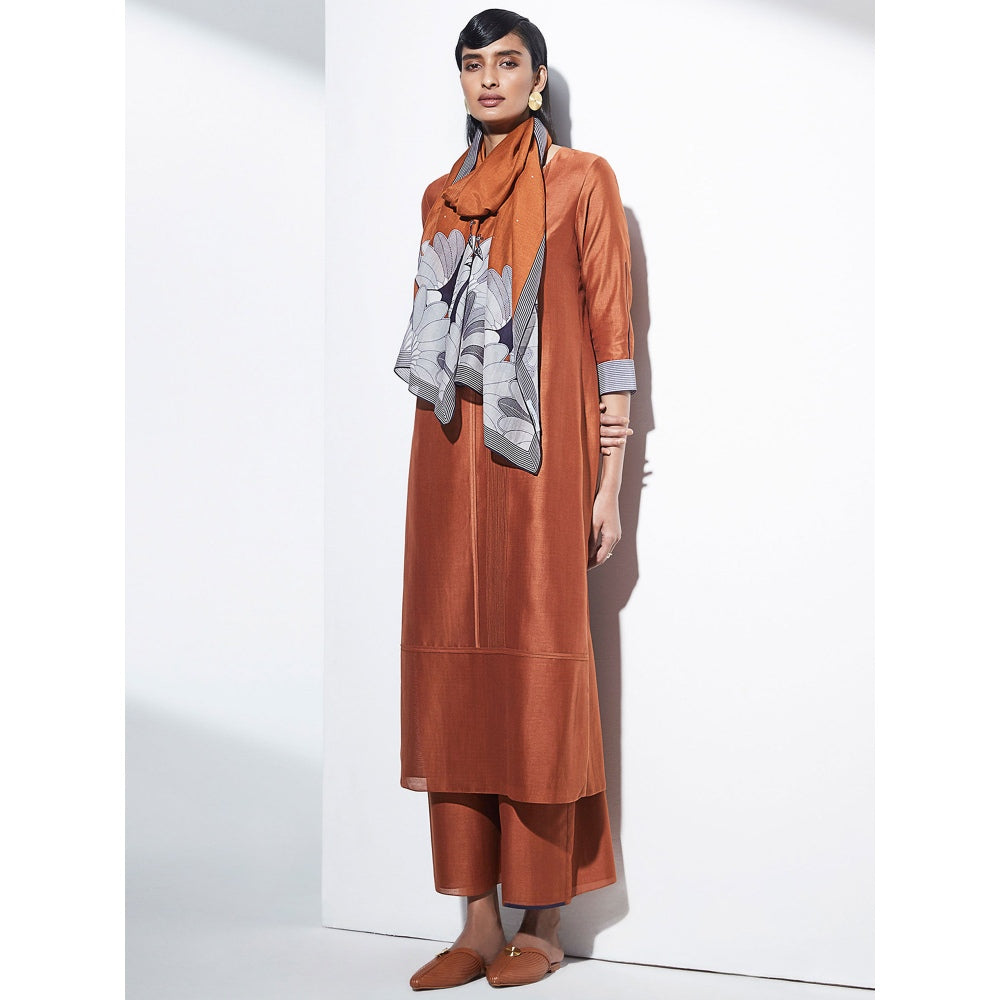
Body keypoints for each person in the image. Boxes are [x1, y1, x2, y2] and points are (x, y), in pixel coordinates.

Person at [393, 8, 635, 990]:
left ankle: (542, 917)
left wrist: (609, 482)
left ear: (537, 80)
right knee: (451, 674)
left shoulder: (582, 180)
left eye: (507, 63)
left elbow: (613, 335)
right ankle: (475, 920)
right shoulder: (440, 196)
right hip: (446, 460)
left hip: (541, 468)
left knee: (537, 678)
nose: (487, 78)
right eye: (472, 64)